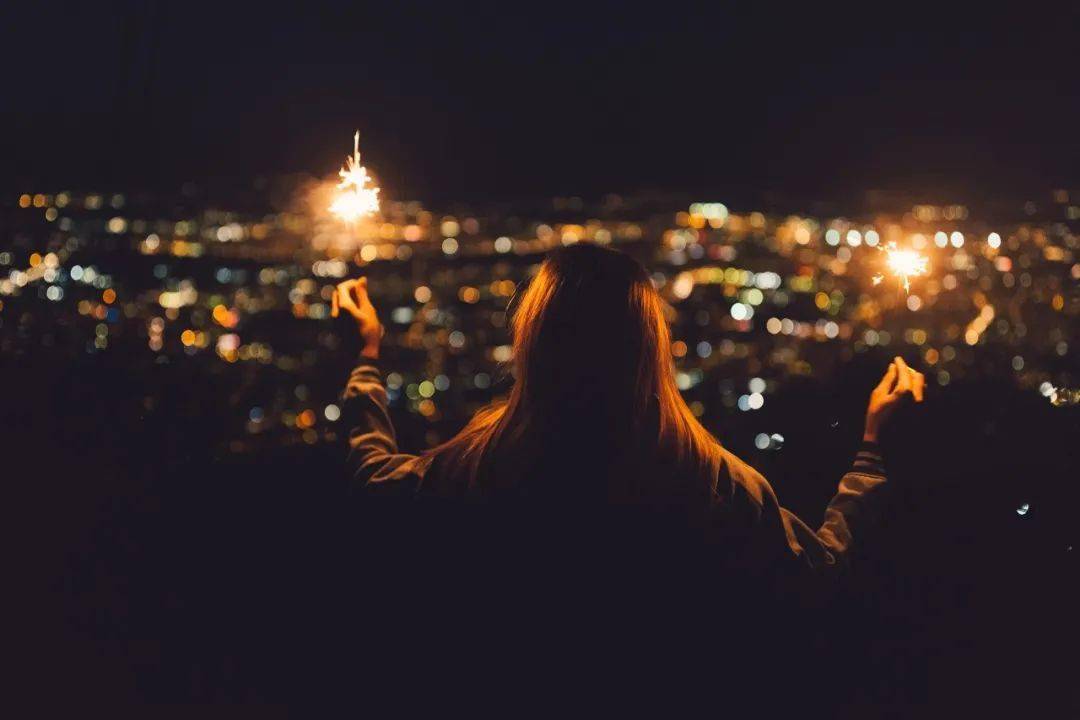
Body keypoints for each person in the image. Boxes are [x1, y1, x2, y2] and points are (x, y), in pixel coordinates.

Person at [332, 242, 923, 580]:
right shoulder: (715, 488)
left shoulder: (478, 470)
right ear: (649, 347)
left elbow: (374, 481)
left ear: (535, 343)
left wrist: (364, 357)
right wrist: (873, 453)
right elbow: (820, 572)